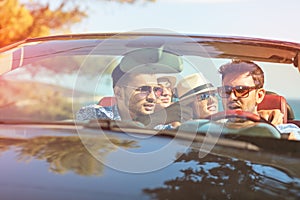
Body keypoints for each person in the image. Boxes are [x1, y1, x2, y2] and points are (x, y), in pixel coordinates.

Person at [217, 59, 300, 140]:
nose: (232, 97)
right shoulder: (212, 130)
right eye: (226, 90)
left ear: (259, 96)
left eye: (241, 90)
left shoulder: (283, 132)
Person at [76, 64, 163, 123]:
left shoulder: (160, 126)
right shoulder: (97, 115)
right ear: (118, 93)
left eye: (156, 90)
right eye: (143, 89)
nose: (152, 97)